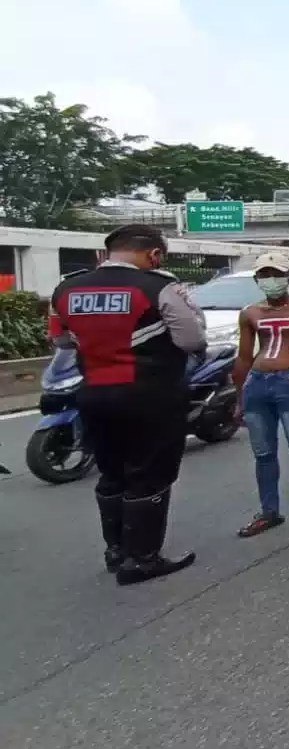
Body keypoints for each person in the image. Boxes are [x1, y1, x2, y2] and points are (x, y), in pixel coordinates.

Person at [49, 225, 206, 585]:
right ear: (154, 255)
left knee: (112, 471)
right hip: (150, 395)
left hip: (94, 394)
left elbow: (61, 339)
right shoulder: (158, 287)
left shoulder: (67, 288)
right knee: (150, 473)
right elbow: (191, 338)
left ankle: (116, 550)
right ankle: (143, 558)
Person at [233, 253, 289, 539]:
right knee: (263, 452)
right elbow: (244, 357)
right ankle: (269, 511)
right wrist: (239, 396)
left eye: (276, 274)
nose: (271, 280)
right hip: (258, 382)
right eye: (264, 275)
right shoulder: (250, 312)